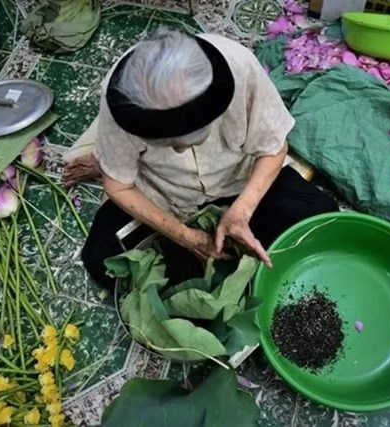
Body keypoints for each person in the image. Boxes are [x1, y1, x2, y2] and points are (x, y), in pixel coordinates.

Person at [62, 27, 338, 289]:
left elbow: (274, 148)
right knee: (101, 258)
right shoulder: (121, 98)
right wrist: (185, 237)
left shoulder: (240, 68)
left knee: (321, 217)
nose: (180, 151)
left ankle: (231, 234)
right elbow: (119, 186)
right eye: (167, 144)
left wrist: (242, 211)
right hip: (165, 195)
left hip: (237, 181)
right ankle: (105, 161)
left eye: (189, 140)